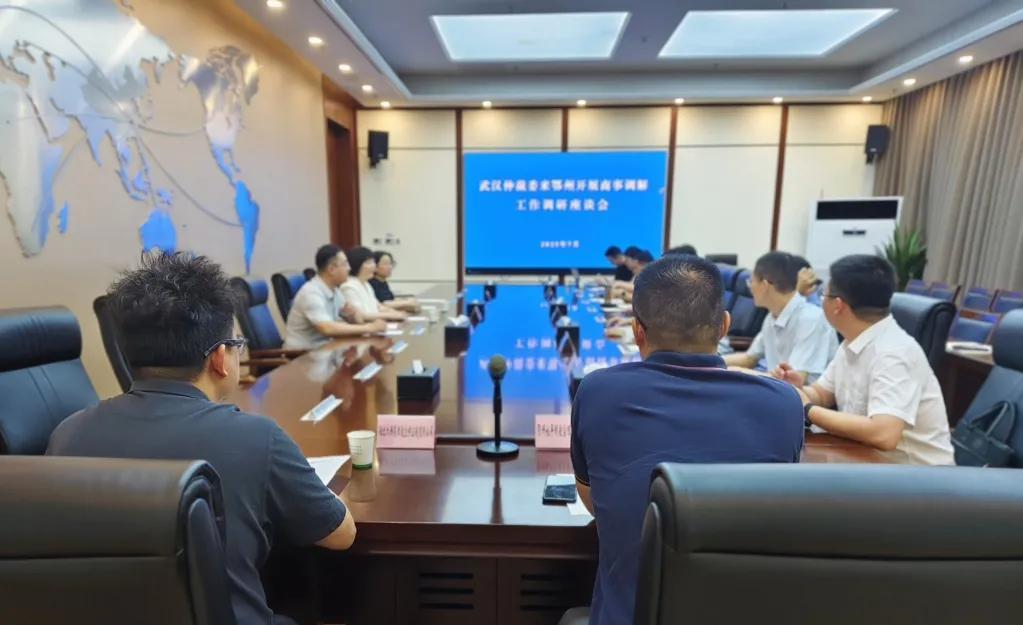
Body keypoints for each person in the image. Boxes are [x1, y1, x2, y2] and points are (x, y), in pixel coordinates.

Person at [47, 252, 357, 625]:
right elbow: (340, 535)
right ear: (220, 358)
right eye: (237, 343)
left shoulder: (67, 434)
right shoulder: (256, 437)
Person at [571, 254, 805, 625]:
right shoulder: (784, 405)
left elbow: (596, 500)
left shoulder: (597, 392)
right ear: (724, 326)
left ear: (637, 331)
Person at [773, 254, 955, 465]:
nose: (822, 301)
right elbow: (822, 394)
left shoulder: (893, 352)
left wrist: (808, 410)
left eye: (824, 295)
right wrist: (797, 389)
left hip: (919, 476)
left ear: (838, 305)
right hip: (868, 463)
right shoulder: (853, 341)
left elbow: (884, 434)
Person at [724, 251, 837, 383]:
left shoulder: (811, 319)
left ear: (765, 285)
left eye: (751, 282)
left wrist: (739, 372)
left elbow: (795, 379)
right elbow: (749, 359)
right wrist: (709, 361)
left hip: (801, 393)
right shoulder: (772, 316)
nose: (750, 287)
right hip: (778, 387)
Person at [284, 244, 386, 349]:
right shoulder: (311, 293)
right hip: (302, 354)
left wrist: (354, 316)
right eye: (345, 264)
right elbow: (327, 328)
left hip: (326, 348)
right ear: (331, 269)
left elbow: (357, 319)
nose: (349, 268)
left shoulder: (335, 291)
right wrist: (369, 327)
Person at [340, 246, 409, 322]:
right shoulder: (348, 287)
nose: (374, 266)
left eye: (373, 262)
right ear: (357, 264)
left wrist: (395, 312)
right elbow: (362, 315)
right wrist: (391, 315)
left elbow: (378, 306)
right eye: (369, 263)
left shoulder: (366, 284)